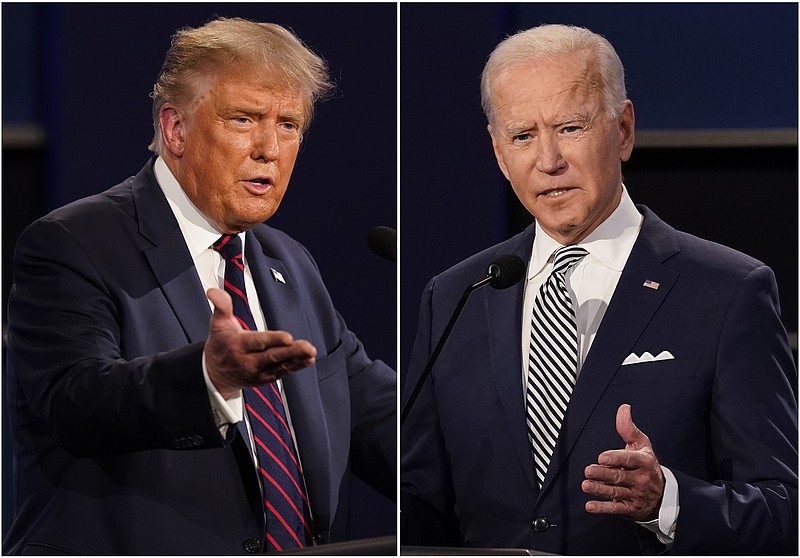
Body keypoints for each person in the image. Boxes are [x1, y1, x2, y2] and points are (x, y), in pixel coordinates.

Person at [4, 17, 396, 555]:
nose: (269, 148)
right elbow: (76, 402)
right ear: (176, 129)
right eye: (244, 119)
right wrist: (208, 377)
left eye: (289, 125)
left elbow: (375, 416)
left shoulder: (289, 263)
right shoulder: (72, 243)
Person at [401, 24, 797, 555]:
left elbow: (783, 510)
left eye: (570, 127)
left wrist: (668, 501)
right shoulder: (456, 295)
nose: (548, 161)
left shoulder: (729, 291)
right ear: (498, 153)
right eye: (523, 136)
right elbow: (421, 506)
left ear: (624, 130)